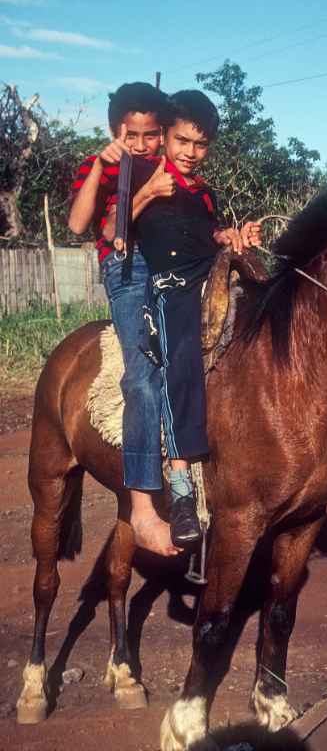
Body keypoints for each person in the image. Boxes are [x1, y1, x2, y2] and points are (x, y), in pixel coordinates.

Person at [133, 89, 261, 545]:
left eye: (200, 144)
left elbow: (209, 234)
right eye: (182, 141)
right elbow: (113, 227)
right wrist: (147, 192)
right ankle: (181, 484)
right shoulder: (143, 176)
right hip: (170, 286)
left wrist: (232, 236)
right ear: (165, 136)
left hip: (209, 273)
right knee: (182, 355)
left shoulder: (205, 193)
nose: (190, 152)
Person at [68, 82, 180, 557]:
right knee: (141, 375)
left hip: (174, 267)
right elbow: (80, 225)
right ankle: (142, 507)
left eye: (150, 134)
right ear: (116, 129)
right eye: (130, 134)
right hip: (127, 269)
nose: (140, 144)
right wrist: (100, 167)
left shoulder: (173, 165)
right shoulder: (104, 167)